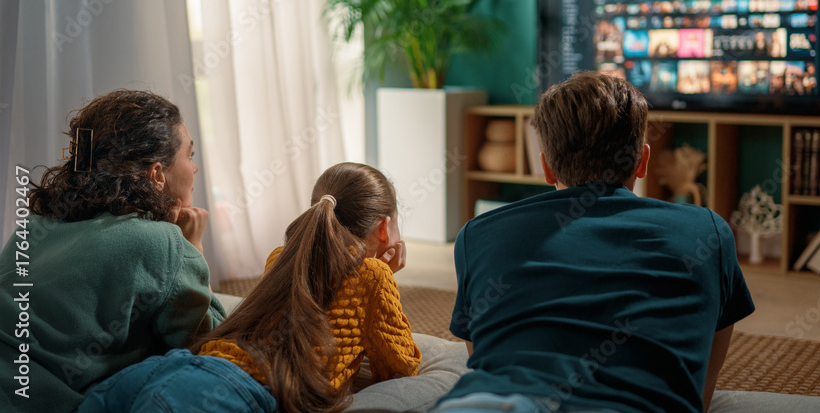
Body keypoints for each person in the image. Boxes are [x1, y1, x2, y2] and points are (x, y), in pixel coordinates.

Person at [433, 72, 755, 413]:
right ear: (643, 161)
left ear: (546, 167)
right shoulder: (708, 232)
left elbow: (485, 356)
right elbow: (699, 387)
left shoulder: (478, 234)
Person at [78, 162, 423, 413]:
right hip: (232, 391)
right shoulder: (375, 275)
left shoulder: (281, 257)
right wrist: (386, 277)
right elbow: (399, 366)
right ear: (384, 227)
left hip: (179, 366)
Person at [0, 90, 226, 413]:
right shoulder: (162, 243)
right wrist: (194, 248)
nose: (195, 169)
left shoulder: (33, 226)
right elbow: (215, 344)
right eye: (189, 156)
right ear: (158, 175)